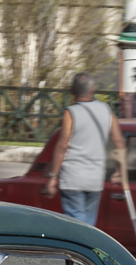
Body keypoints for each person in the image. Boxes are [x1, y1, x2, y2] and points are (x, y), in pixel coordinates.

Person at [43, 72, 125, 226]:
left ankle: (81, 248)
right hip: (95, 178)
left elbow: (62, 146)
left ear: (72, 92)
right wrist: (119, 170)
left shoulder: (70, 113)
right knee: (88, 224)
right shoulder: (107, 111)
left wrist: (53, 176)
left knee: (77, 225)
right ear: (93, 89)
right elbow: (119, 141)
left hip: (72, 178)